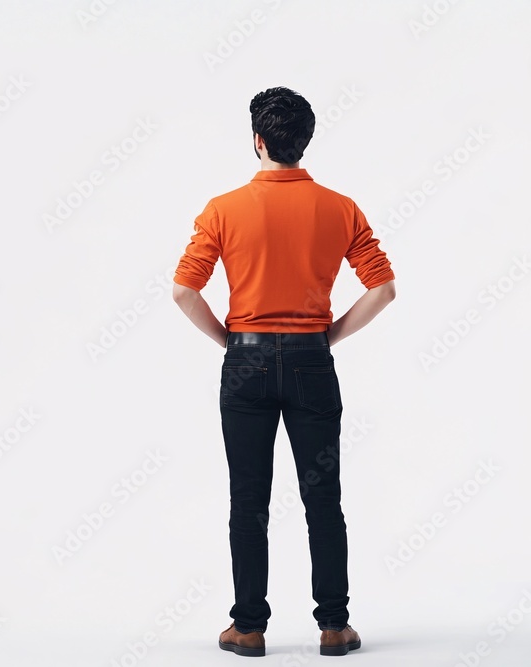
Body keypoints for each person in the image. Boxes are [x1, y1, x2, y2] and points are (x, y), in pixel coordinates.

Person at [171, 86, 396, 658]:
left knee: (248, 500)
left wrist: (230, 340)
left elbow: (182, 291)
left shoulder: (222, 209)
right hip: (310, 363)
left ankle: (248, 627)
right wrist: (329, 336)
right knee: (323, 496)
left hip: (244, 363)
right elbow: (384, 289)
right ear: (305, 142)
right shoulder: (340, 208)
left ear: (258, 140)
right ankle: (334, 627)